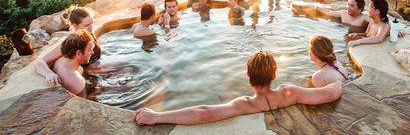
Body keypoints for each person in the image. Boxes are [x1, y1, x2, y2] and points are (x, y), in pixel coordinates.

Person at [134, 51, 342, 125]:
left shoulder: (245, 105)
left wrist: (157, 117)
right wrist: (338, 81)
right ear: (275, 75)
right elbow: (329, 94)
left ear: (248, 75)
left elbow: (204, 114)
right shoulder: (290, 93)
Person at [35, 7, 100, 88]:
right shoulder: (71, 43)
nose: (91, 27)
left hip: (97, 69)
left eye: (91, 23)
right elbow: (39, 62)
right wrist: (49, 74)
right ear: (75, 25)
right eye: (86, 25)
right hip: (86, 76)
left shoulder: (88, 34)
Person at [51, 29, 95, 97]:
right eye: (89, 50)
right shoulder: (76, 81)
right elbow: (84, 103)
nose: (92, 53)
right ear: (78, 53)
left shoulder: (60, 61)